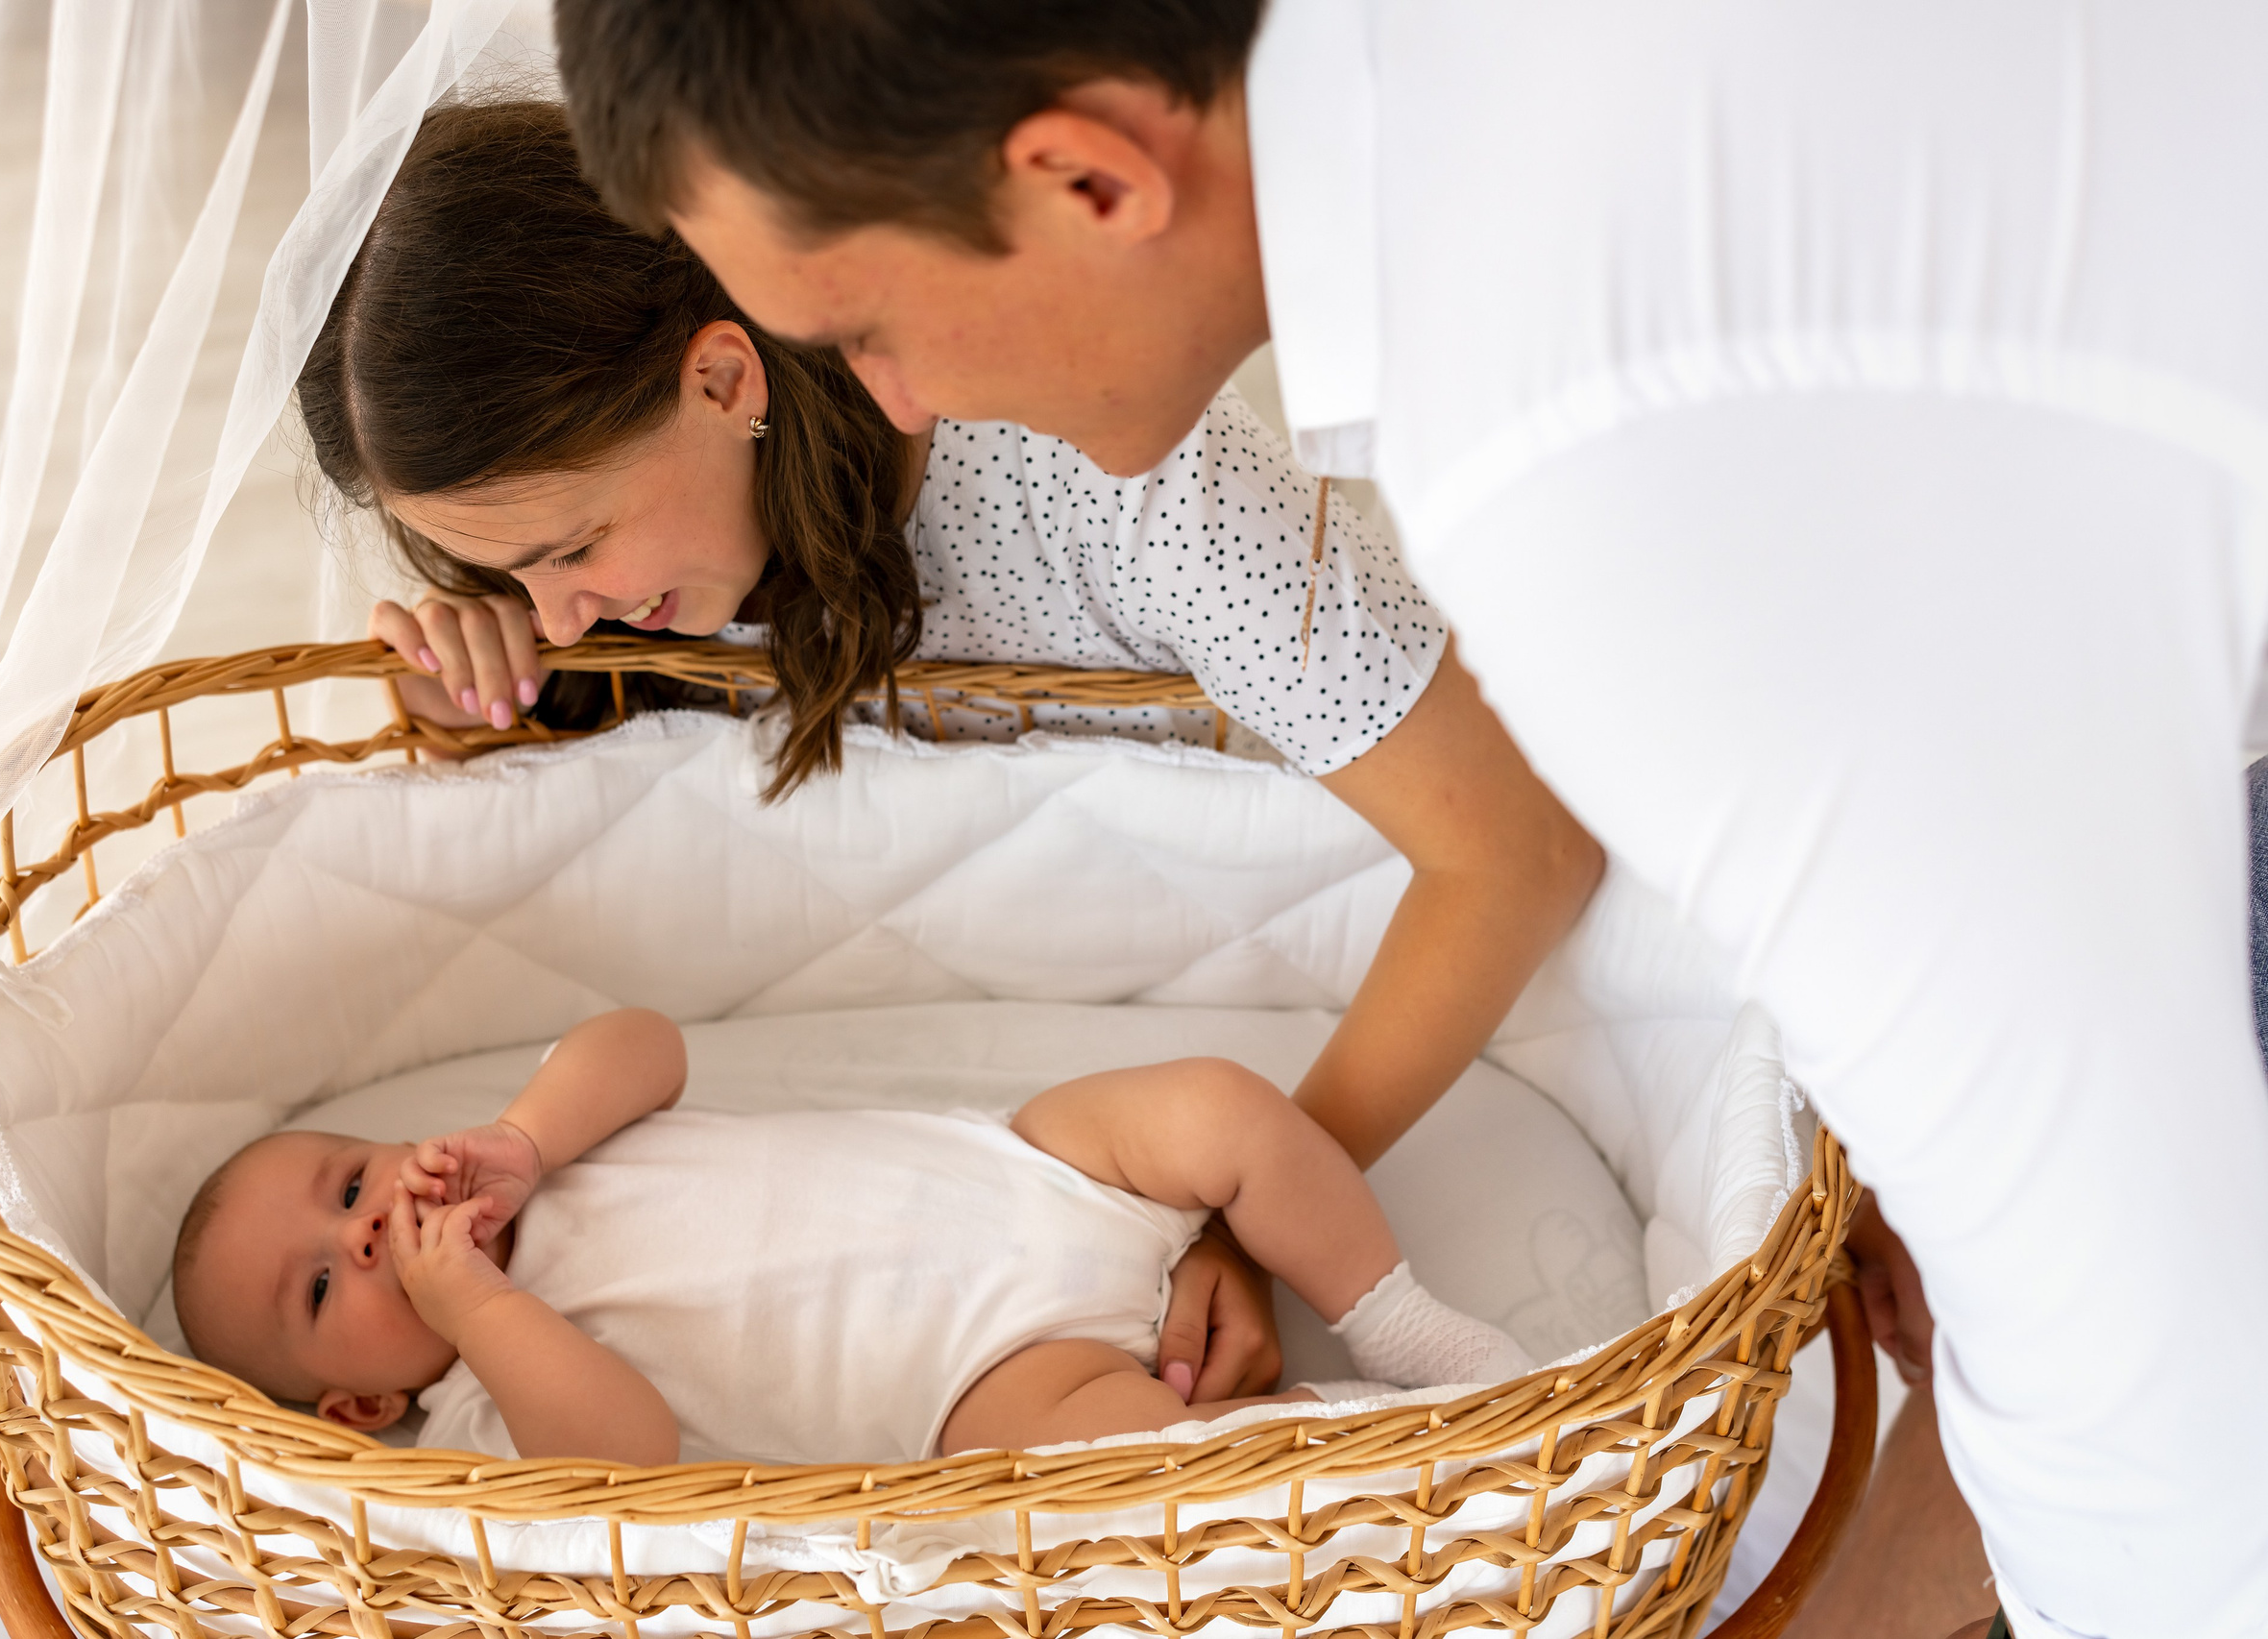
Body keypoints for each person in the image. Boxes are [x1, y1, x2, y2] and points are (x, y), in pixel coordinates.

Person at [549, 3, 2268, 1637]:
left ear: (1091, 182)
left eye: (862, 334)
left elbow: (2130, 1317)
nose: (895, 406)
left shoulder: (1564, 429)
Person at [298, 101, 1603, 1407]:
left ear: (722, 380)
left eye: (571, 549)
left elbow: (1523, 852)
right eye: (505, 572)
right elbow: (645, 829)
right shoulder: (627, 602)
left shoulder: (1104, 463)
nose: (561, 609)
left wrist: (1259, 1209)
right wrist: (489, 698)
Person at [168, 1007, 1532, 1464]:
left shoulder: (531, 1152)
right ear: (359, 1401)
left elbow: (645, 1046)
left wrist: (526, 1140)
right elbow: (628, 1450)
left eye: (349, 1186)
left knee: (1220, 1107)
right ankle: (1332, 1422)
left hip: (1024, 1166)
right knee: (1127, 1481)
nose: (366, 1234)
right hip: (981, 1374)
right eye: (319, 1286)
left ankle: (1403, 1319)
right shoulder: (482, 1399)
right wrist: (471, 1309)